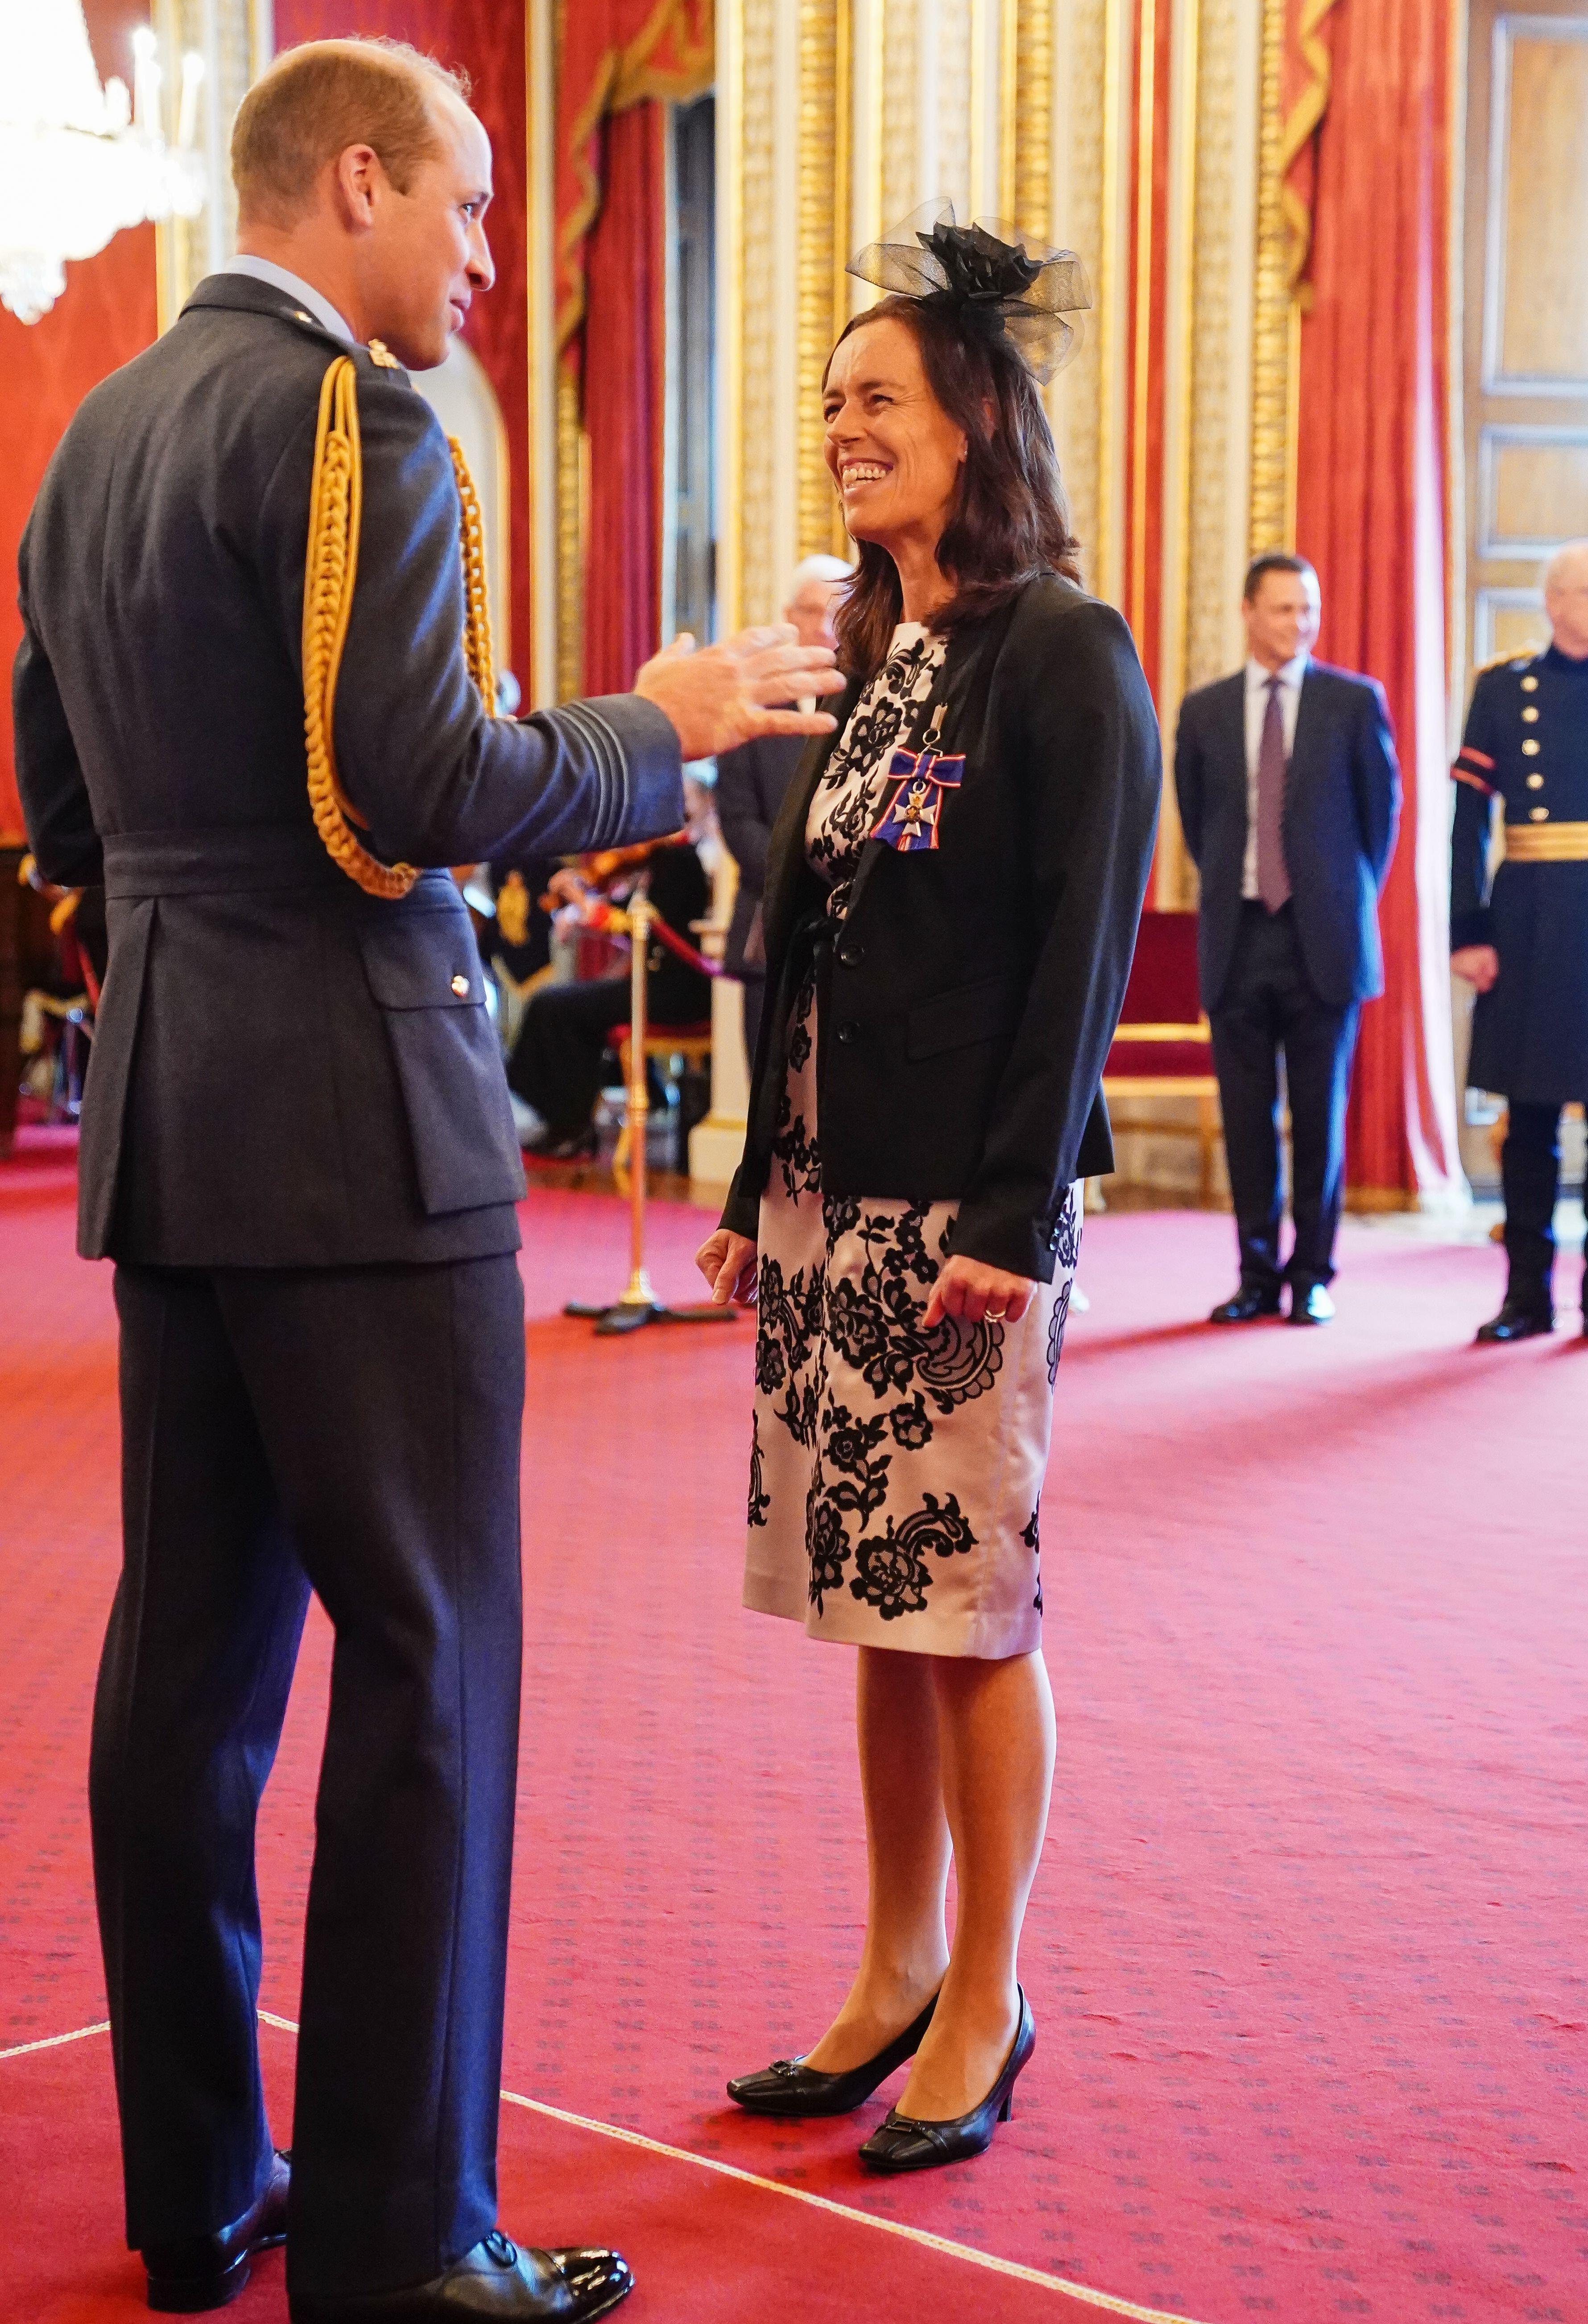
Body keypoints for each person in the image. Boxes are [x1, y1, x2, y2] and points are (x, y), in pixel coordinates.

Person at [12, 38, 841, 2324]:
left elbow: (54, 773)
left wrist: (172, 954)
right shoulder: (361, 422)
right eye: (467, 207)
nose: (485, 253)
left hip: (176, 1112)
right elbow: (429, 780)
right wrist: (658, 713)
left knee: (182, 1675)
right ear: (353, 180)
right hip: (369, 1134)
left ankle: (203, 2191)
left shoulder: (90, 436)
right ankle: (394, 2234)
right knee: (428, 1664)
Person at [694, 205, 1160, 2174]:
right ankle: (887, 1966)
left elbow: (1075, 956)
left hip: (955, 1222)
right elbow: (792, 940)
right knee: (867, 1602)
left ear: (974, 411)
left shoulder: (1059, 649)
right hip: (825, 1202)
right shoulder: (884, 655)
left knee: (965, 1609)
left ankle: (986, 1983)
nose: (839, 428)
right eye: (826, 405)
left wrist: (1000, 1211)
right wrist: (744, 1175)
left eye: (873, 396)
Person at [1175, 554, 1401, 1325]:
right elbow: (1198, 824)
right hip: (1239, 939)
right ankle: (1255, 1274)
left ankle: (1313, 1275)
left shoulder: (1353, 703)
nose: (1299, 623)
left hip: (1323, 943)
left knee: (1318, 1118)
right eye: (1283, 609)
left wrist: (1334, 895)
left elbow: (1381, 825)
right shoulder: (1204, 712)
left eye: (1308, 609)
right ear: (1248, 611)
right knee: (1247, 1122)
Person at [1451, 542, 1588, 1342]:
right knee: (1529, 1119)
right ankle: (1526, 1297)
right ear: (1554, 601)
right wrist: (1469, 929)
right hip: (1531, 918)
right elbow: (1469, 824)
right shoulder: (1504, 690)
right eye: (1583, 589)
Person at [506, 774, 715, 1158]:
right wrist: (587, 907)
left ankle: (570, 1125)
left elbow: (648, 925)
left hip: (674, 992)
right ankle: (564, 1121)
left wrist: (589, 911)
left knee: (558, 1007)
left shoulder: (681, 859)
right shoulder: (662, 858)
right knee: (557, 1004)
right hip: (655, 984)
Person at [715, 554, 851, 1061]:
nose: (822, 627)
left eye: (836, 613)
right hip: (767, 930)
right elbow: (737, 819)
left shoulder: (868, 701)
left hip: (846, 932)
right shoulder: (752, 705)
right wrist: (794, 874)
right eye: (810, 612)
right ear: (787, 617)